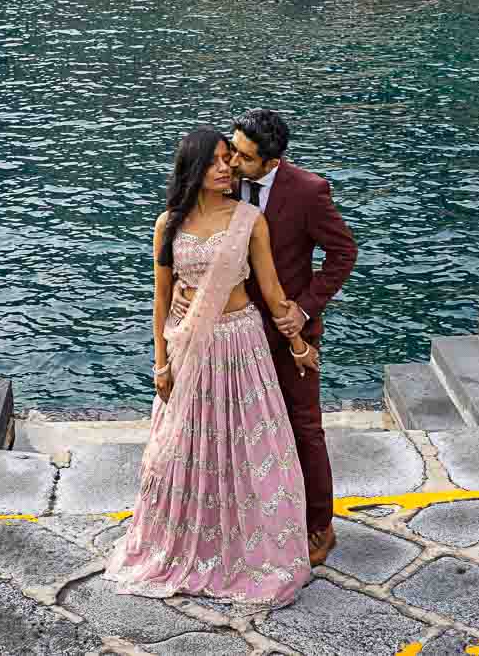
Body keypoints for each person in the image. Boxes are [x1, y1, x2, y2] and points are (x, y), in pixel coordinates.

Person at [104, 127, 319, 608]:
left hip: (241, 345)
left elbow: (272, 290)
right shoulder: (168, 225)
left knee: (249, 449)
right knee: (183, 449)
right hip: (188, 348)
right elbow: (161, 297)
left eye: (230, 159)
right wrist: (160, 363)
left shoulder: (249, 220)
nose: (227, 169)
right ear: (193, 169)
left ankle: (251, 552)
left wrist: (298, 342)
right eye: (217, 161)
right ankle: (186, 546)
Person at [174, 109, 358, 567]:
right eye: (231, 149)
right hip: (228, 330)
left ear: (272, 163)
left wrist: (305, 308)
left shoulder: (310, 192)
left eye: (244, 156)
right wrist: (185, 286)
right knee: (235, 432)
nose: (232, 161)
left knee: (303, 428)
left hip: (283, 330)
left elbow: (343, 253)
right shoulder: (222, 179)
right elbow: (198, 237)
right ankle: (253, 522)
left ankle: (320, 525)